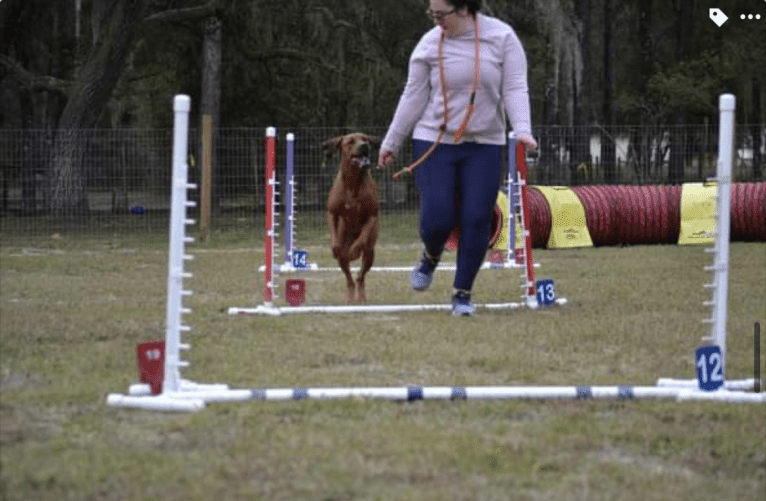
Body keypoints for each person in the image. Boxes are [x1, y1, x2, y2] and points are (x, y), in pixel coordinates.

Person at [377, 0, 537, 316]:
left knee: (477, 218)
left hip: (484, 145)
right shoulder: (428, 45)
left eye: (441, 15)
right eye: (432, 14)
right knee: (438, 217)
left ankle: (462, 294)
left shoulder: (502, 38)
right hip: (435, 141)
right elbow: (413, 95)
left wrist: (523, 130)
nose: (436, 21)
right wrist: (391, 142)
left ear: (464, 8)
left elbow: (515, 88)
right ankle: (431, 254)